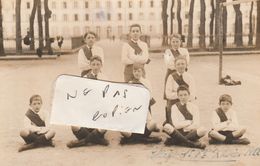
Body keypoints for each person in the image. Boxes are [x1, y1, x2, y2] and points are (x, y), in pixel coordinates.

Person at [67, 56, 109, 148]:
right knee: (74, 125)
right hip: (88, 109)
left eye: (98, 64)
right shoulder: (85, 78)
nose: (96, 67)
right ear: (90, 65)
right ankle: (98, 139)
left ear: (101, 65)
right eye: (93, 64)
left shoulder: (105, 78)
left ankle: (82, 142)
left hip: (99, 110)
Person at [120, 63, 161, 144]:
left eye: (139, 71)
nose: (137, 73)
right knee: (122, 130)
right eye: (135, 71)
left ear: (142, 72)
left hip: (144, 105)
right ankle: (143, 139)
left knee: (153, 123)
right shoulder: (130, 83)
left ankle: (134, 139)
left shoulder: (146, 82)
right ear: (133, 72)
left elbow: (150, 96)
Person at [164, 57, 196, 125]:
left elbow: (193, 95)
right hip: (174, 102)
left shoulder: (190, 77)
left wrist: (184, 99)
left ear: (186, 65)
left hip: (186, 102)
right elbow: (168, 94)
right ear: (175, 66)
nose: (181, 66)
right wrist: (181, 96)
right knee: (173, 125)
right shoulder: (171, 77)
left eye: (183, 64)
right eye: (178, 64)